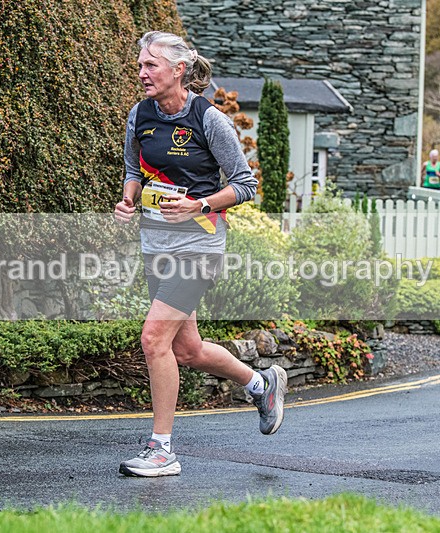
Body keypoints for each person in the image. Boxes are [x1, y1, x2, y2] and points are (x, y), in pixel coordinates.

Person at [114, 31, 288, 478]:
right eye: (140, 65)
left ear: (178, 70)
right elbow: (134, 170)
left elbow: (245, 185)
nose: (142, 72)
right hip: (157, 245)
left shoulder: (208, 119)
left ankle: (162, 450)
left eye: (151, 65)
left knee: (153, 338)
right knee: (187, 349)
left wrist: (200, 205)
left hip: (200, 245)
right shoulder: (140, 115)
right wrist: (129, 199)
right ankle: (261, 384)